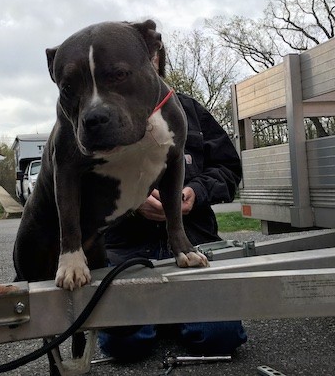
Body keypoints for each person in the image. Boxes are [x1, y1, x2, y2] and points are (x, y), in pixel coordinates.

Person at [97, 85, 248, 361]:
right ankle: (162, 316)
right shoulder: (98, 114)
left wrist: (196, 192)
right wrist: (132, 201)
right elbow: (82, 182)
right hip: (128, 251)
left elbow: (229, 168)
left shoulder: (190, 110)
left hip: (194, 244)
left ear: (157, 58)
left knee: (219, 337)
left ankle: (165, 314)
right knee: (126, 345)